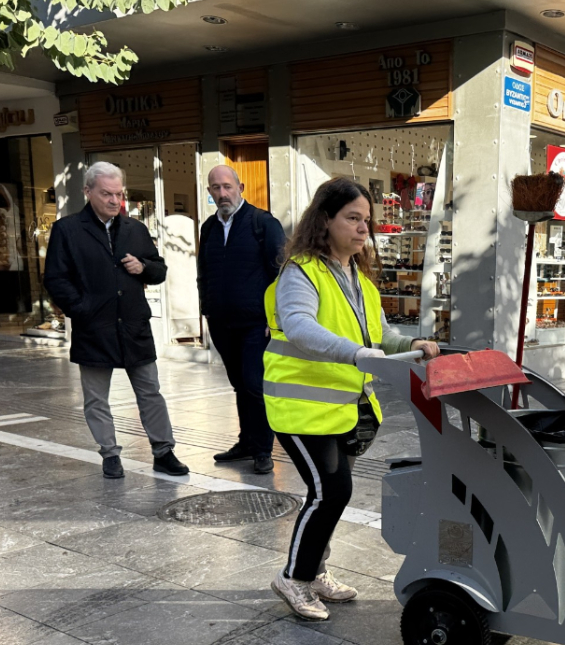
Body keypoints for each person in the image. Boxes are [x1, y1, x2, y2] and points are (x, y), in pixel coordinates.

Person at [265, 177, 439, 621]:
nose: (364, 229)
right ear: (325, 220)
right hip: (300, 408)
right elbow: (301, 328)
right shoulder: (301, 272)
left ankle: (315, 571)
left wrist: (413, 345)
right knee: (332, 491)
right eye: (353, 218)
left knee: (328, 495)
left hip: (345, 408)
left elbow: (380, 336)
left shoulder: (360, 280)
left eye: (367, 221)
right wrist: (359, 354)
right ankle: (294, 577)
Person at [44, 161, 188, 479]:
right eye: (106, 193)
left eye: (118, 194)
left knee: (150, 392)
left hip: (134, 326)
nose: (114, 200)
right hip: (93, 329)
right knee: (96, 398)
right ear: (88, 191)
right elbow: (55, 279)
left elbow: (159, 268)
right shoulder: (67, 230)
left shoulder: (134, 229)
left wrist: (144, 268)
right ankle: (110, 454)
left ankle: (163, 451)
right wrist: (83, 311)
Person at [197, 166, 287, 474]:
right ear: (209, 192)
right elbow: (203, 273)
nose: (222, 193)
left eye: (227, 186)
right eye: (215, 188)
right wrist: (206, 307)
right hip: (221, 323)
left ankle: (263, 449)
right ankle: (246, 442)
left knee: (254, 383)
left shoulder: (263, 223)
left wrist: (275, 319)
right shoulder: (208, 228)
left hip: (255, 324)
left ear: (240, 187)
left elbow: (281, 274)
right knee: (239, 385)